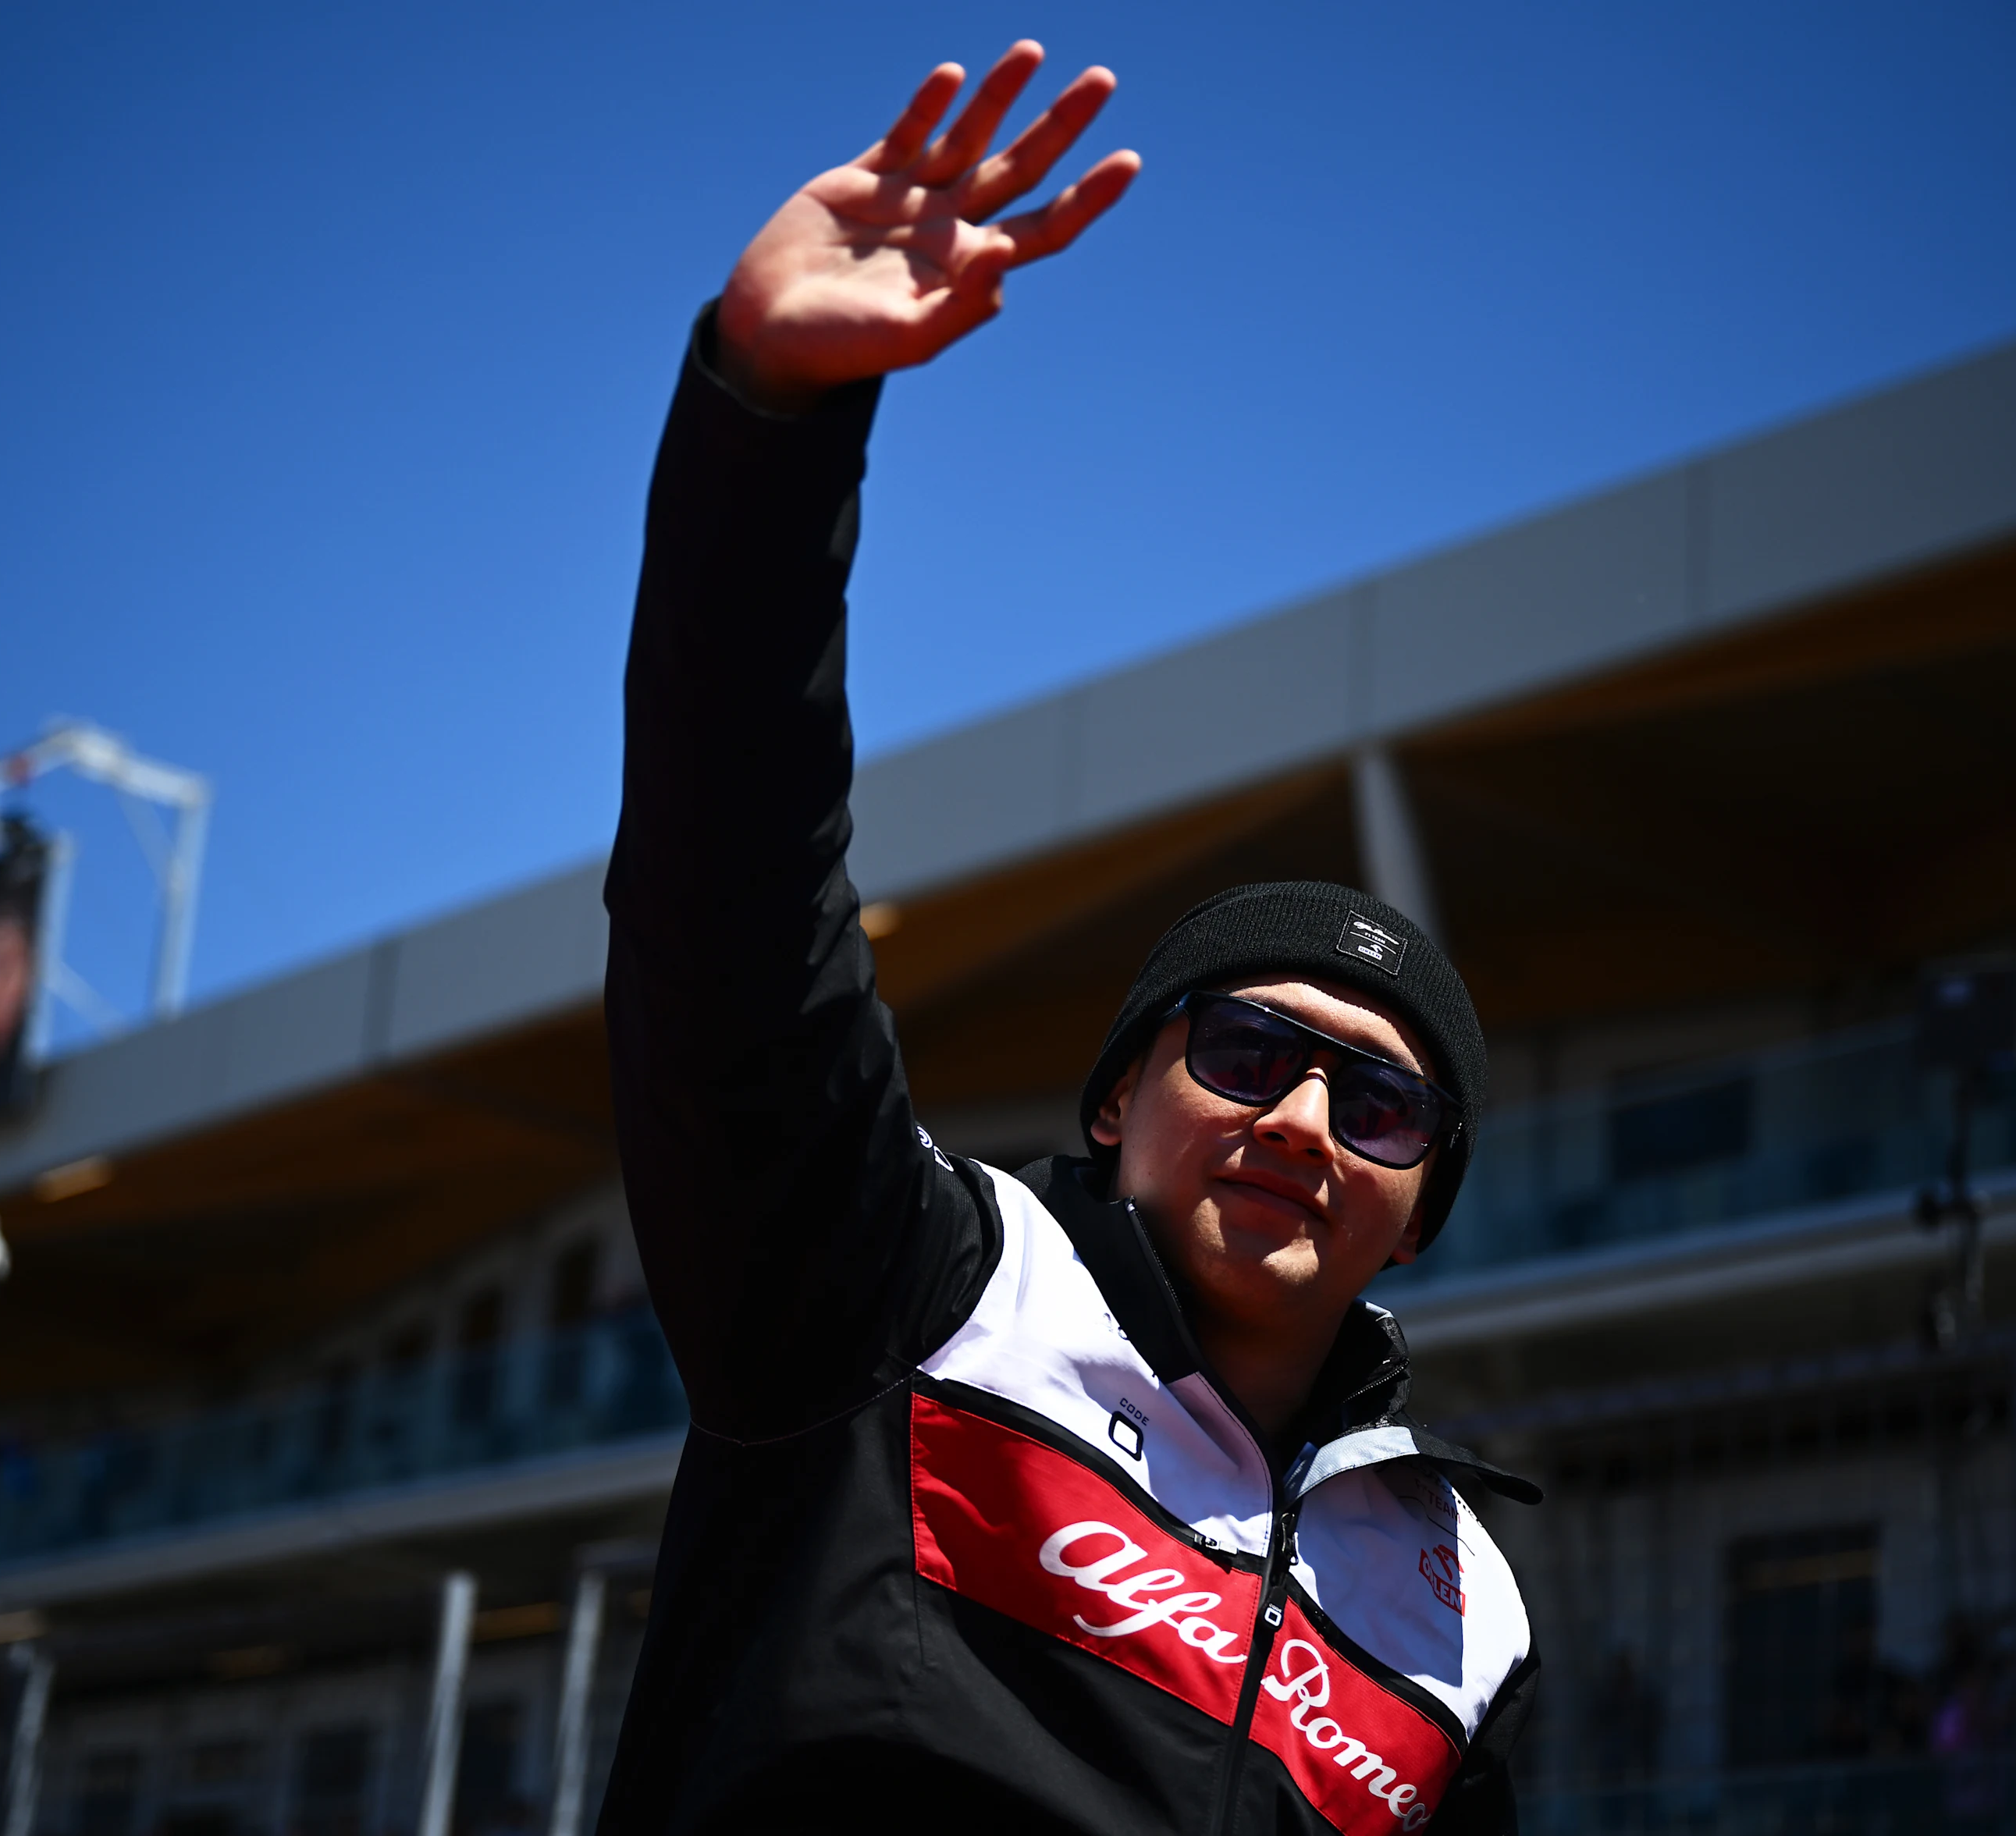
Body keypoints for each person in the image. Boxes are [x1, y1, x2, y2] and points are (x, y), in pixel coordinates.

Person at [598, 41, 1539, 1836]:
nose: (1302, 1125)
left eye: (1383, 1107)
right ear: (1118, 1100)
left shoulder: (1465, 1614)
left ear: (1424, 1202)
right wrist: (771, 428)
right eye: (1247, 1054)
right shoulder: (911, 1295)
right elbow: (727, 908)